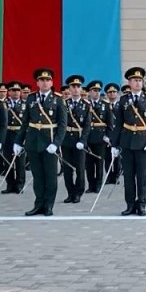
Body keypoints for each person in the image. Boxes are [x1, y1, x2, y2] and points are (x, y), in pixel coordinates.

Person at [15, 68, 68, 216]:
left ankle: (48, 205)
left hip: (49, 142)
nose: (45, 83)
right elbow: (25, 122)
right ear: (37, 82)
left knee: (50, 177)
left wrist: (56, 144)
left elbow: (62, 125)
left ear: (52, 82)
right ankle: (38, 204)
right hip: (33, 141)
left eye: (48, 80)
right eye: (42, 80)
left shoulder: (58, 99)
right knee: (37, 177)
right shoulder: (31, 98)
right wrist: (18, 141)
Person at [111, 68, 146, 216]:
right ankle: (130, 204)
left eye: (139, 80)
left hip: (143, 143)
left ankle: (142, 204)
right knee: (129, 176)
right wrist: (114, 144)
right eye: (134, 80)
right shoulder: (123, 100)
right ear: (129, 83)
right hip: (127, 142)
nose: (137, 83)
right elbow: (118, 124)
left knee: (142, 176)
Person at [61, 75, 89, 203]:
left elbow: (88, 126)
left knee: (80, 168)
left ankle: (78, 192)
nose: (76, 89)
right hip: (66, 140)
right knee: (67, 169)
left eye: (78, 87)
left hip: (79, 139)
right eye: (73, 87)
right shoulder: (63, 104)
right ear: (69, 89)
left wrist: (83, 141)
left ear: (81, 89)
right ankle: (70, 192)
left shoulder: (86, 105)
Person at [84, 80, 112, 193]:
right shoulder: (85, 104)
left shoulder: (105, 105)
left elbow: (110, 124)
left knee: (99, 162)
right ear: (89, 92)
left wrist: (107, 136)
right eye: (94, 91)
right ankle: (91, 185)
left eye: (98, 91)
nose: (96, 93)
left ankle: (99, 184)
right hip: (88, 137)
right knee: (89, 164)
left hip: (100, 138)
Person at [2, 81, 27, 194]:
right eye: (13, 90)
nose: (16, 93)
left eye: (18, 90)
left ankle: (20, 185)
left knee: (20, 162)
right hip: (7, 135)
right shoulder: (3, 104)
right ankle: (10, 185)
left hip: (19, 134)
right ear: (9, 92)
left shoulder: (25, 104)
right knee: (7, 161)